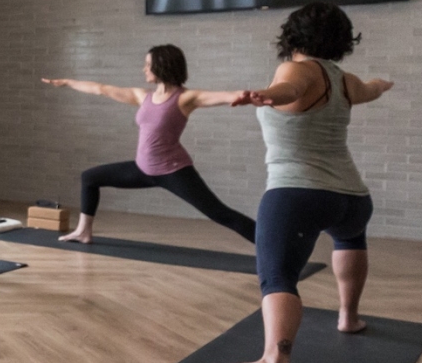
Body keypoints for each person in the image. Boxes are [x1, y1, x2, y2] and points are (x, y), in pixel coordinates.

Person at [215, 2, 393, 363]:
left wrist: (269, 95)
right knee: (349, 239)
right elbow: (370, 90)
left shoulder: (296, 68)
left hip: (298, 194)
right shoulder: (345, 79)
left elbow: (289, 88)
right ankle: (349, 316)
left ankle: (273, 361)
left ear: (292, 34)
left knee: (277, 277)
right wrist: (382, 85)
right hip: (354, 198)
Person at [39, 44, 258, 244]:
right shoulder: (142, 96)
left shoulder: (185, 98)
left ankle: (280, 247)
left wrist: (245, 95)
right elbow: (101, 88)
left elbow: (224, 95)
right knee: (89, 177)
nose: (144, 69)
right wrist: (67, 82)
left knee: (220, 213)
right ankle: (83, 231)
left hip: (174, 171)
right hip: (142, 169)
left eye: (147, 64)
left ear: (162, 66)